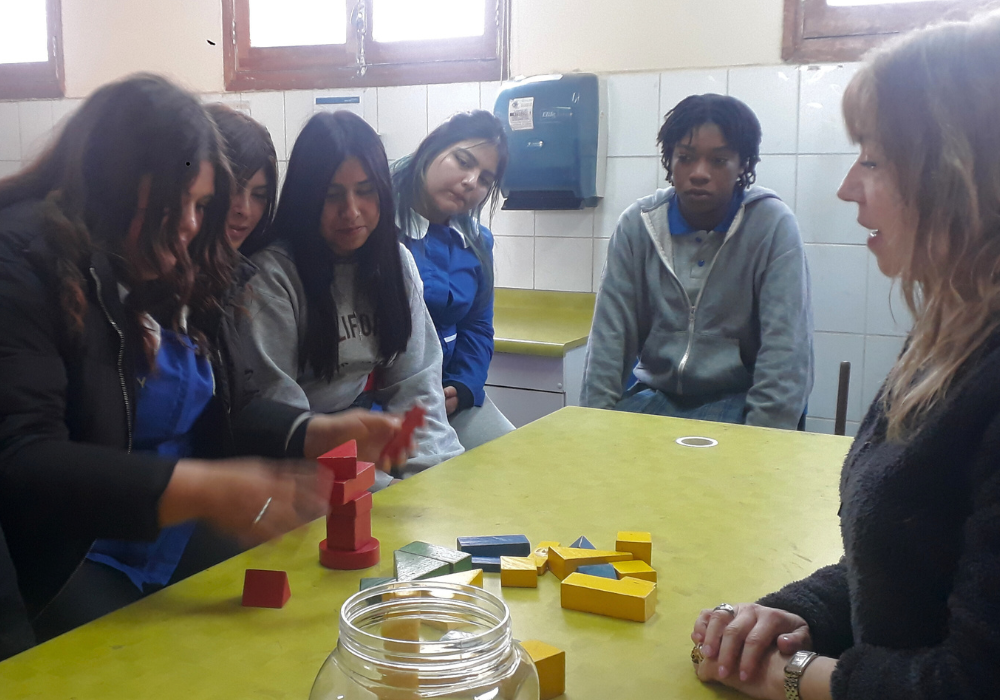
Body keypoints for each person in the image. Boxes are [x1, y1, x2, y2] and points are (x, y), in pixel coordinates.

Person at [0, 74, 405, 650]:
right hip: (70, 552)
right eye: (173, 204)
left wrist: (315, 431)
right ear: (112, 185)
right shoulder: (21, 263)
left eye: (200, 205)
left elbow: (227, 409)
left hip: (168, 534)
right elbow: (24, 463)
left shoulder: (169, 260)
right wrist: (202, 488)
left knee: (300, 627)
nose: (191, 225)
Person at [690, 11, 1000, 700]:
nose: (846, 188)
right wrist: (796, 613)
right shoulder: (952, 333)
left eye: (873, 158)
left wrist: (795, 676)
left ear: (961, 172)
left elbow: (972, 681)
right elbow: (911, 563)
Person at [243, 110, 463, 485]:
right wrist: (383, 486)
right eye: (331, 196)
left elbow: (418, 387)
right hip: (295, 457)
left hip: (358, 436)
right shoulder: (272, 277)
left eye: (365, 191)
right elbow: (284, 425)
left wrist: (434, 481)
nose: (351, 211)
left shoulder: (397, 264)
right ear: (306, 198)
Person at [581, 94, 813, 429]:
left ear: (743, 165)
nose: (699, 173)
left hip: (739, 402)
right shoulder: (638, 225)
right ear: (669, 160)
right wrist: (593, 427)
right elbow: (609, 340)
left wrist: (763, 446)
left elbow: (785, 354)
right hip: (656, 396)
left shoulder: (771, 226)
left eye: (719, 161)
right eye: (686, 158)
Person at [392, 111, 514, 450]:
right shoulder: (375, 225)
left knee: (511, 460)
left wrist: (462, 387)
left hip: (446, 398)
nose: (471, 181)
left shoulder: (476, 241)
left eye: (486, 179)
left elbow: (478, 327)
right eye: (463, 161)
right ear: (432, 149)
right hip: (384, 403)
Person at [206, 103, 277, 251]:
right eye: (233, 188)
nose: (244, 210)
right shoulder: (162, 267)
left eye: (259, 195)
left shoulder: (258, 265)